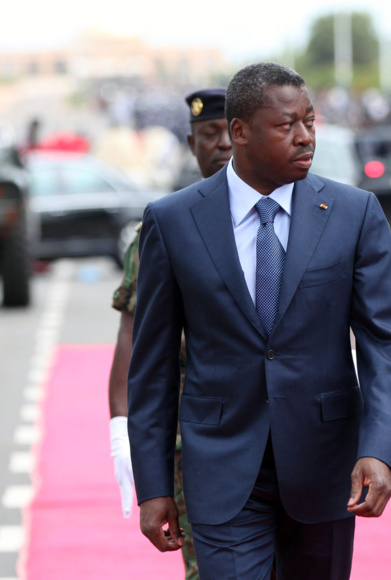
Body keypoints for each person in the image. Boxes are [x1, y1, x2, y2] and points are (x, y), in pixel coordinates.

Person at [127, 63, 391, 579]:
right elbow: (152, 365)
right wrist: (152, 486)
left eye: (310, 121)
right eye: (287, 125)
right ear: (240, 132)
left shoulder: (355, 213)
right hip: (222, 469)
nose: (305, 137)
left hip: (326, 467)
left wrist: (381, 451)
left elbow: (387, 343)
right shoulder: (172, 221)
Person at [108, 87, 231, 580]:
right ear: (191, 142)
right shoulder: (163, 228)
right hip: (192, 435)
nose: (221, 144)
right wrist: (122, 431)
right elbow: (133, 341)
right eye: (208, 134)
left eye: (229, 132)